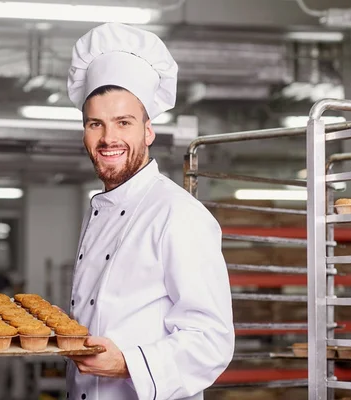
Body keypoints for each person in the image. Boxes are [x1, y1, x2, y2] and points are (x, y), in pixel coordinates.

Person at [63, 22, 235, 400]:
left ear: (148, 131)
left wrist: (127, 363)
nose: (109, 138)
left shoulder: (178, 214)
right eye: (96, 124)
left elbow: (211, 341)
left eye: (124, 123)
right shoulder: (99, 210)